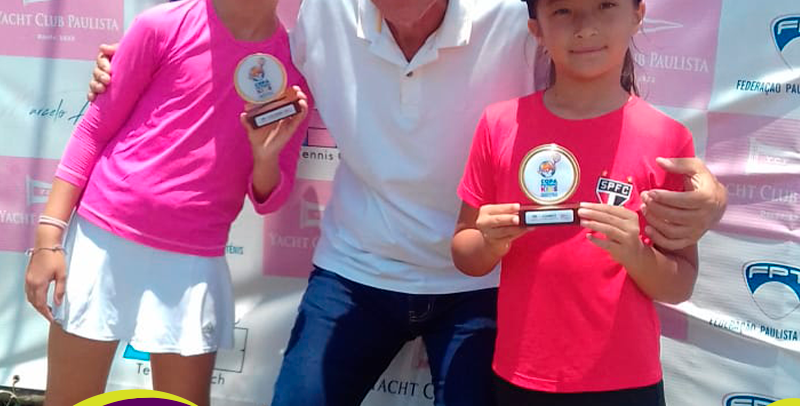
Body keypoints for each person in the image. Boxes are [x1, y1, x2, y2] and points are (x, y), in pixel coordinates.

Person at [87, 0, 725, 405]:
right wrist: (134, 59)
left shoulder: (516, 18)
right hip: (355, 271)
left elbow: (603, 100)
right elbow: (240, 54)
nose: (579, 23)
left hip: (481, 282)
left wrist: (712, 196)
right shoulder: (319, 14)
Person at [23, 0, 310, 405]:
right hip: (102, 239)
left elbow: (269, 198)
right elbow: (93, 130)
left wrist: (265, 157)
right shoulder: (161, 26)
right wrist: (48, 238)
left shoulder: (290, 71)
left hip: (194, 260)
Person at [452, 0, 697, 404]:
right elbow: (465, 253)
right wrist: (490, 243)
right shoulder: (500, 124)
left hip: (626, 381)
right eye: (563, 10)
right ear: (536, 30)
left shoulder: (668, 139)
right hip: (521, 375)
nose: (585, 27)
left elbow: (680, 283)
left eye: (605, 5)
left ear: (637, 15)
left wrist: (635, 254)